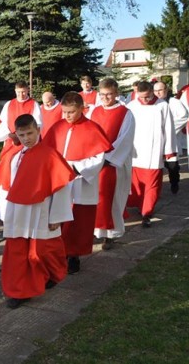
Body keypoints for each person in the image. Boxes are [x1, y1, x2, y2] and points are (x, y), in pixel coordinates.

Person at [0, 115, 75, 308]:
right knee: (17, 253)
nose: (26, 138)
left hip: (42, 210)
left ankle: (53, 274)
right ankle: (20, 291)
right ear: (16, 135)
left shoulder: (50, 155)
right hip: (18, 212)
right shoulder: (13, 156)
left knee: (43, 250)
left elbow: (61, 187)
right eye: (21, 135)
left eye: (30, 133)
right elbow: (6, 187)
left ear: (38, 130)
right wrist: (3, 213)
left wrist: (57, 216)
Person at [42, 92, 113, 274]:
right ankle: (58, 253)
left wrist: (75, 168)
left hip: (81, 182)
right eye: (64, 112)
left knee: (78, 221)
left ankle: (74, 255)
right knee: (59, 217)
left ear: (82, 109)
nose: (66, 116)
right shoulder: (58, 127)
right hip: (60, 182)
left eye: (71, 112)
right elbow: (47, 151)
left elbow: (98, 157)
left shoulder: (92, 128)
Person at [88, 78, 136, 249]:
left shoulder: (125, 113)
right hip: (95, 162)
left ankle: (110, 235)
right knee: (95, 197)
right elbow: (88, 134)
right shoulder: (93, 112)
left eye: (109, 94)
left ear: (116, 93)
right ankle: (95, 231)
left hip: (114, 163)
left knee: (113, 198)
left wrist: (108, 159)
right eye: (102, 95)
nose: (106, 98)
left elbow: (126, 138)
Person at [126, 81, 177, 226]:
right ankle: (139, 206)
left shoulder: (162, 105)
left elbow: (169, 129)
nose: (144, 100)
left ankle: (146, 213)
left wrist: (169, 151)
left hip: (153, 153)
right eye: (141, 97)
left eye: (147, 97)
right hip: (135, 154)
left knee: (152, 186)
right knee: (136, 185)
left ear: (152, 92)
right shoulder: (131, 106)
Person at [154, 82, 186, 191]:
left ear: (166, 90)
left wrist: (169, 129)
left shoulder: (175, 102)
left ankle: (174, 182)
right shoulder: (154, 103)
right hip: (157, 140)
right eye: (155, 90)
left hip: (171, 139)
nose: (157, 93)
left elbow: (184, 116)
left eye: (160, 90)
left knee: (172, 165)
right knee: (157, 164)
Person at [0, 81, 42, 157]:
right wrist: (10, 135)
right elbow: (2, 122)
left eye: (23, 92)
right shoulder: (9, 104)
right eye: (19, 92)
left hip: (28, 140)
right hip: (11, 140)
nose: (21, 95)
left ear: (28, 90)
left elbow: (38, 124)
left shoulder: (34, 104)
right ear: (15, 91)